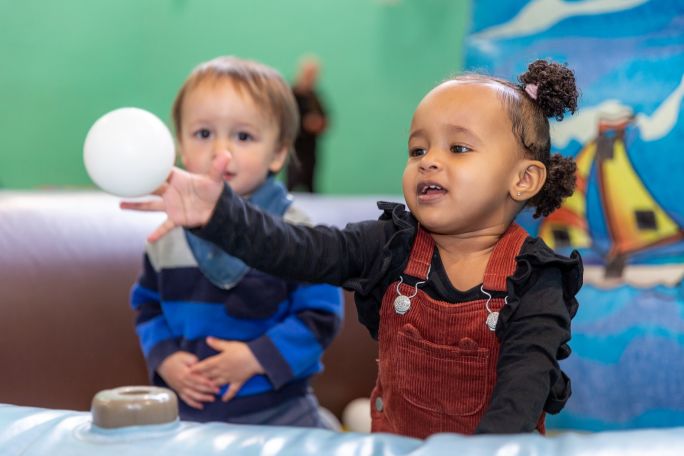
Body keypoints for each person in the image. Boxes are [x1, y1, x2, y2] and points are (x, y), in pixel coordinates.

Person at [123, 59, 582, 437]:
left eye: (458, 148)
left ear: (523, 179)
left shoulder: (536, 280)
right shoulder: (389, 246)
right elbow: (294, 249)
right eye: (418, 150)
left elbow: (521, 395)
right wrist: (217, 214)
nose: (431, 161)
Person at [128, 56, 344, 427]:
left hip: (281, 412)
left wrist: (257, 357)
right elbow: (148, 307)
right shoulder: (167, 236)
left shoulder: (296, 231)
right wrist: (165, 358)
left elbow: (320, 315)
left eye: (243, 136)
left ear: (277, 153)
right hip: (190, 416)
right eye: (203, 134)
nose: (221, 152)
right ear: (180, 143)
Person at [286, 56, 328, 192]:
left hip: (311, 149)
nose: (312, 77)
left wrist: (319, 124)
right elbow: (286, 119)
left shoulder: (315, 96)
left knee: (311, 184)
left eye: (314, 74)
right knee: (291, 183)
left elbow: (325, 119)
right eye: (309, 73)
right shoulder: (291, 95)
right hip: (296, 148)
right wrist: (305, 124)